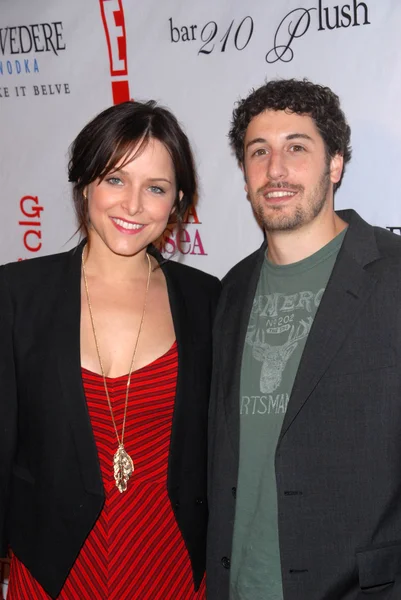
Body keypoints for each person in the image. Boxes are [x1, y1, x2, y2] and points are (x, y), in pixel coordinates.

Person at [0, 100, 220, 599]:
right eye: (115, 179)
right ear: (85, 184)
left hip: (172, 564)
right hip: (54, 568)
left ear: (178, 201)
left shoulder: (208, 300)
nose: (133, 205)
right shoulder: (16, 295)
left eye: (156, 188)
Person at [207, 78, 401, 600]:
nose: (275, 170)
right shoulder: (228, 292)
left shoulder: (394, 279)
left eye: (297, 147)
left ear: (334, 164)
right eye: (259, 152)